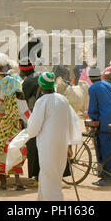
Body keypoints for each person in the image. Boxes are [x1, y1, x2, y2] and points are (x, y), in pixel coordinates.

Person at [26, 72, 82, 200]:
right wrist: (69, 145)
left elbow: (33, 128)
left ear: (40, 86)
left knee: (49, 180)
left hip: (48, 147)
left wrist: (27, 132)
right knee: (50, 177)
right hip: (61, 145)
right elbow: (71, 122)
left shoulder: (42, 101)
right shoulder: (63, 100)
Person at [0, 53, 29, 190]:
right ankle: (17, 181)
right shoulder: (14, 80)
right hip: (13, 116)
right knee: (14, 146)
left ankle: (3, 183)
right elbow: (21, 99)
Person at [88, 67, 111, 186]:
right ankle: (110, 176)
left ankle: (106, 178)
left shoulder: (93, 88)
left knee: (104, 148)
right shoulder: (110, 85)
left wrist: (93, 118)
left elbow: (93, 107)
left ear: (90, 78)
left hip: (104, 120)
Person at [19, 60, 41, 185]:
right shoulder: (38, 76)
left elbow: (23, 99)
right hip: (43, 112)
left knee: (32, 145)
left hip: (33, 114)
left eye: (21, 70)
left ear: (25, 70)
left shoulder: (28, 81)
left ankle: (36, 175)